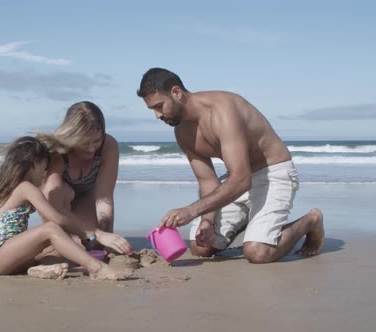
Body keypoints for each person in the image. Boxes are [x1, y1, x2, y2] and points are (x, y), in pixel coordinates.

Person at [136, 68, 324, 264]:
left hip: (272, 174)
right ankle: (248, 222)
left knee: (257, 252)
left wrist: (191, 211)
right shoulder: (182, 131)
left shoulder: (222, 111)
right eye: (152, 110)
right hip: (237, 180)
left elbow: (242, 179)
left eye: (159, 106)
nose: (157, 116)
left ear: (176, 93)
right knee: (201, 247)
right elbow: (207, 181)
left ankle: (311, 221)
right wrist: (207, 220)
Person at [0, 136, 131, 280]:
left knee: (58, 247)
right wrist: (86, 235)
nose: (44, 174)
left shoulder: (10, 188)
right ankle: (97, 269)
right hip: (0, 258)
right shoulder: (25, 188)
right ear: (35, 163)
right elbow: (57, 218)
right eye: (44, 168)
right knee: (51, 229)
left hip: (12, 258)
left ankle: (42, 269)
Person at [37, 101, 132, 255]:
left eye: (96, 140)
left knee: (93, 245)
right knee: (70, 243)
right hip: (56, 204)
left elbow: (104, 197)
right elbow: (52, 204)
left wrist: (106, 237)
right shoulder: (59, 153)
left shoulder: (108, 145)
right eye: (85, 142)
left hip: (86, 197)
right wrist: (98, 235)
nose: (91, 148)